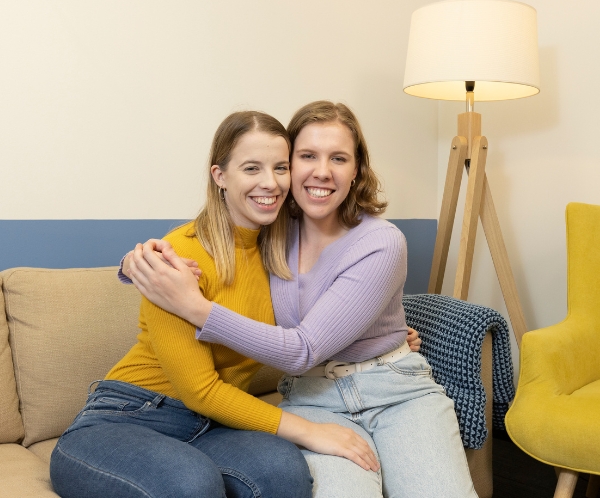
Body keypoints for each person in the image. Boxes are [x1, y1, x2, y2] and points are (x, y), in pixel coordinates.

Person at [126, 101, 476, 498]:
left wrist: (194, 307)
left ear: (356, 170)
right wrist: (139, 259)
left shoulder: (382, 241)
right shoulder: (271, 231)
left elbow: (304, 347)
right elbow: (211, 240)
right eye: (307, 156)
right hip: (311, 397)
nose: (322, 171)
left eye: (339, 158)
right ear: (290, 165)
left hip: (395, 391)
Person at [49, 110, 384, 498]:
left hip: (213, 426)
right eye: (252, 168)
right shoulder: (181, 255)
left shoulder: (283, 251)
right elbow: (199, 390)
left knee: (283, 469)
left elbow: (314, 326)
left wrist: (378, 340)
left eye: (280, 168)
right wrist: (312, 431)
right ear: (220, 176)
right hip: (129, 416)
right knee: (191, 484)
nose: (270, 183)